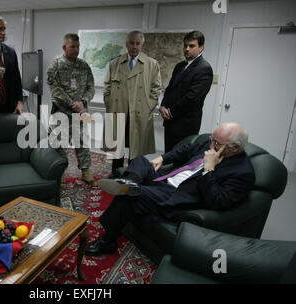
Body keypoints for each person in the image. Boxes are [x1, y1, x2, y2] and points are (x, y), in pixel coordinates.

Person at [86, 122, 255, 256]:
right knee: (140, 161)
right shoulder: (212, 145)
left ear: (235, 148)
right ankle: (129, 183)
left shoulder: (242, 173)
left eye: (217, 143)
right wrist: (162, 157)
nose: (211, 146)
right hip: (165, 181)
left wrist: (208, 170)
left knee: (131, 195)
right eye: (212, 139)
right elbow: (186, 150)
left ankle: (109, 241)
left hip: (177, 196)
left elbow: (217, 201)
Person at [103, 31, 162, 177]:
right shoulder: (115, 63)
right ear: (126, 44)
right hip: (119, 109)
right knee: (117, 145)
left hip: (139, 111)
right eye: (132, 43)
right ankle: (115, 172)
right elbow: (107, 86)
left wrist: (148, 106)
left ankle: (132, 173)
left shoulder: (152, 64)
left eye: (137, 43)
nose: (134, 47)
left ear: (142, 45)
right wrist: (110, 103)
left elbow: (156, 88)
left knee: (136, 147)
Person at [47, 33, 97, 187]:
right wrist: (72, 104)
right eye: (72, 47)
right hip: (61, 112)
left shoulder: (84, 65)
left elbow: (91, 87)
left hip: (80, 112)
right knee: (58, 145)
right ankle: (61, 173)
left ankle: (86, 172)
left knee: (82, 142)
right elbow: (55, 90)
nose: (76, 50)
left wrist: (83, 102)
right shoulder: (55, 65)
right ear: (64, 47)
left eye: (78, 46)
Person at [159, 31, 213, 152]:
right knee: (167, 156)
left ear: (201, 48)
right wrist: (163, 105)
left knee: (180, 161)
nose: (187, 49)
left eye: (192, 46)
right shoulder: (180, 66)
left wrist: (171, 112)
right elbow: (170, 88)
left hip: (185, 125)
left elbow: (192, 98)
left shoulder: (204, 68)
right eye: (185, 45)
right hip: (170, 122)